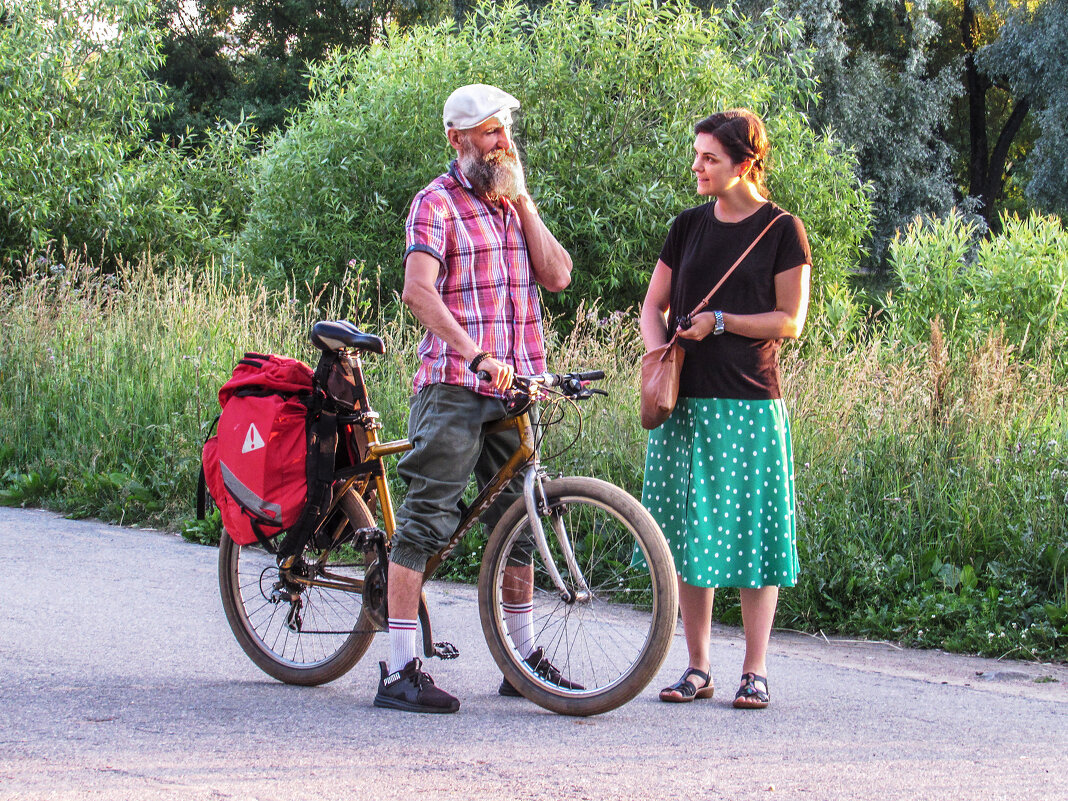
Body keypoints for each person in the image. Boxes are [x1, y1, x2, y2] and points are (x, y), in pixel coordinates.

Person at [372, 84, 575, 714]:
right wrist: (474, 353)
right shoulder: (434, 204)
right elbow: (418, 292)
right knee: (426, 519)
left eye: (506, 130)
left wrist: (526, 202)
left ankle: (521, 664)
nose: (502, 141)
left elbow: (559, 275)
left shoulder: (512, 206)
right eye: (490, 132)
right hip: (456, 387)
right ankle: (400, 669)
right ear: (458, 139)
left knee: (518, 524)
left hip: (513, 389)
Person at [639, 109, 811, 709]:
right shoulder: (687, 227)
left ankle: (755, 670)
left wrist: (720, 323)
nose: (697, 167)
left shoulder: (782, 230)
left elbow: (790, 320)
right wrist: (659, 354)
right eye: (697, 155)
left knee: (755, 535)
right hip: (685, 405)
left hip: (750, 405)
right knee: (690, 535)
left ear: (745, 163)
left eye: (710, 158)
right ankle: (698, 667)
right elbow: (652, 303)